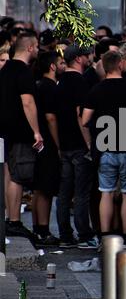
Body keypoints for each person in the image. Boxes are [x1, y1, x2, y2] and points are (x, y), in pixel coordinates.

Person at [82, 50, 126, 246]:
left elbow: (85, 119)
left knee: (106, 192)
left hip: (105, 147)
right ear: (120, 65)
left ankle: (105, 237)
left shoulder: (96, 90)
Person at [0, 31, 43, 244]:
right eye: (36, 46)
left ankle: (10, 218)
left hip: (5, 130)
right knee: (18, 176)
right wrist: (36, 130)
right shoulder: (23, 72)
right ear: (29, 48)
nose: (37, 49)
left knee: (9, 172)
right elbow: (28, 102)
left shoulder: (5, 69)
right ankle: (15, 221)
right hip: (20, 130)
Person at [55, 44, 98, 249]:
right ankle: (84, 234)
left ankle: (65, 234)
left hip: (64, 144)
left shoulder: (60, 81)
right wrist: (89, 142)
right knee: (81, 193)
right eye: (88, 55)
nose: (90, 58)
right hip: (79, 145)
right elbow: (81, 115)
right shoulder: (80, 82)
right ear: (79, 59)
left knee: (64, 192)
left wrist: (58, 143)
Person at [32, 51, 62, 246]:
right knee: (46, 188)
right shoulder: (50, 87)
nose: (63, 65)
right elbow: (51, 118)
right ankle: (43, 230)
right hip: (49, 144)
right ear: (52, 66)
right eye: (60, 62)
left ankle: (38, 228)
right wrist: (58, 144)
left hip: (40, 143)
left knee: (39, 187)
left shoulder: (38, 86)